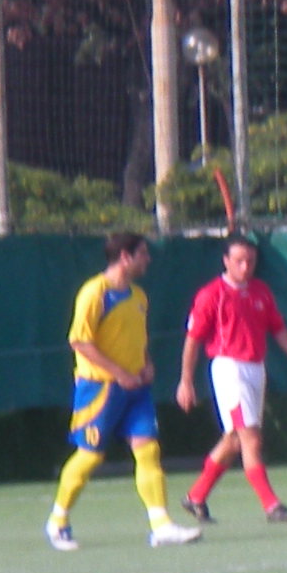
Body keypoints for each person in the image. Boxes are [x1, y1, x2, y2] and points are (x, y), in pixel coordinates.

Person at [45, 232, 200, 552]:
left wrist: (145, 364)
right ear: (125, 257)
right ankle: (58, 522)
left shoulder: (139, 296)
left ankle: (161, 525)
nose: (148, 260)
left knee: (148, 451)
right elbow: (79, 341)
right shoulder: (95, 292)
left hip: (136, 388)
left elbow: (136, 339)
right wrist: (118, 374)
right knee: (90, 457)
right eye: (143, 254)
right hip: (99, 389)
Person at [175, 234, 287, 524]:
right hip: (230, 369)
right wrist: (186, 380)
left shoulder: (260, 292)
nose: (245, 266)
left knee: (234, 441)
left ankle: (196, 496)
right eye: (239, 260)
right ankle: (271, 505)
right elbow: (193, 339)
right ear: (226, 261)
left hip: (256, 368)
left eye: (250, 260)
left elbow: (278, 329)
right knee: (250, 439)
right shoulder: (211, 294)